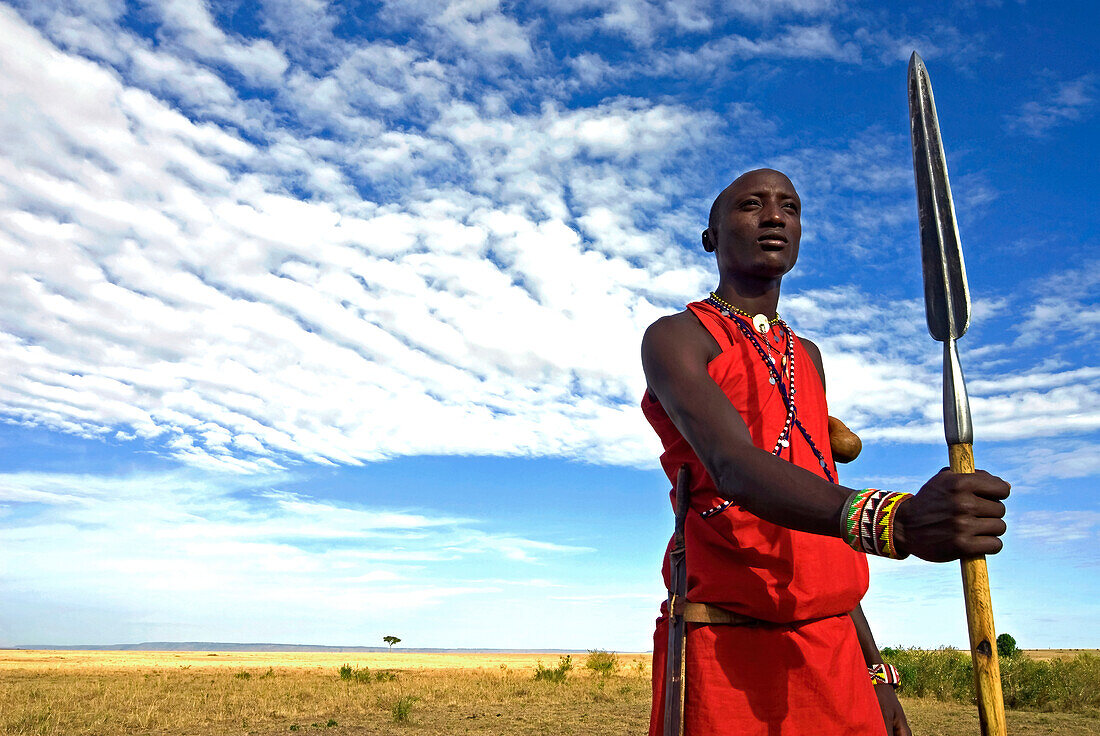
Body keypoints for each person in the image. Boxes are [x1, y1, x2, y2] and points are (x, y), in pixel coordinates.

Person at [641, 168, 1010, 736]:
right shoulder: (677, 337)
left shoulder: (805, 356)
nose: (773, 216)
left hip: (836, 652)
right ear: (710, 236)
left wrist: (877, 674)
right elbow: (734, 467)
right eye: (750, 205)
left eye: (789, 206)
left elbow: (819, 534)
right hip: (727, 644)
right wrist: (896, 522)